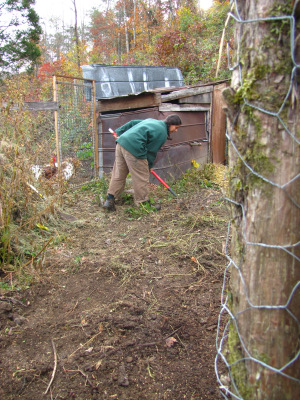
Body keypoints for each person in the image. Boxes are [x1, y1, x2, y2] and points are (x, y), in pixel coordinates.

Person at [103, 114, 182, 211]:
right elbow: (151, 152)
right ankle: (143, 204)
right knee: (141, 176)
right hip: (135, 148)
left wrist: (119, 132)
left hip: (121, 143)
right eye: (176, 127)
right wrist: (148, 166)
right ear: (171, 124)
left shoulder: (152, 121)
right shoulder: (162, 133)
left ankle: (109, 200)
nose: (176, 130)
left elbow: (132, 123)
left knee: (119, 174)